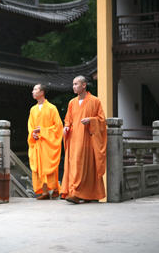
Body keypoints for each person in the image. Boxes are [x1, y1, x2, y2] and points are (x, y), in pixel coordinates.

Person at [62, 76, 107, 204]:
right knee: (75, 165)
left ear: (84, 85)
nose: (74, 86)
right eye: (73, 84)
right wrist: (66, 128)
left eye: (76, 84)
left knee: (84, 166)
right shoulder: (72, 102)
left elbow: (102, 120)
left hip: (88, 139)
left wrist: (91, 120)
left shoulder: (95, 101)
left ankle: (80, 193)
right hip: (74, 139)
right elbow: (68, 120)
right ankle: (75, 192)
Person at [27, 84, 63, 200]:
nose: (33, 91)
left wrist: (42, 131)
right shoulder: (33, 109)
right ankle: (45, 191)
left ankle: (56, 188)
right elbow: (30, 126)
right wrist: (33, 134)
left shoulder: (52, 108)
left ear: (42, 92)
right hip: (37, 143)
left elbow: (58, 127)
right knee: (38, 167)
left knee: (49, 166)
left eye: (35, 89)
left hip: (48, 143)